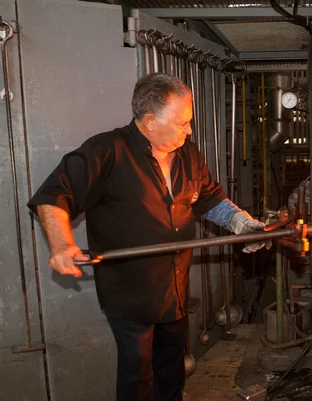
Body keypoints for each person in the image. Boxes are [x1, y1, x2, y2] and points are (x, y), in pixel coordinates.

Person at [27, 73, 267, 401]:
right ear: (151, 122)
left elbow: (209, 198)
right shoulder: (107, 151)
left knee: (171, 368)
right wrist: (61, 244)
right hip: (130, 293)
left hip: (174, 288)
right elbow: (53, 196)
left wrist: (242, 223)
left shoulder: (188, 154)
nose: (189, 131)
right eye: (182, 123)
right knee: (137, 373)